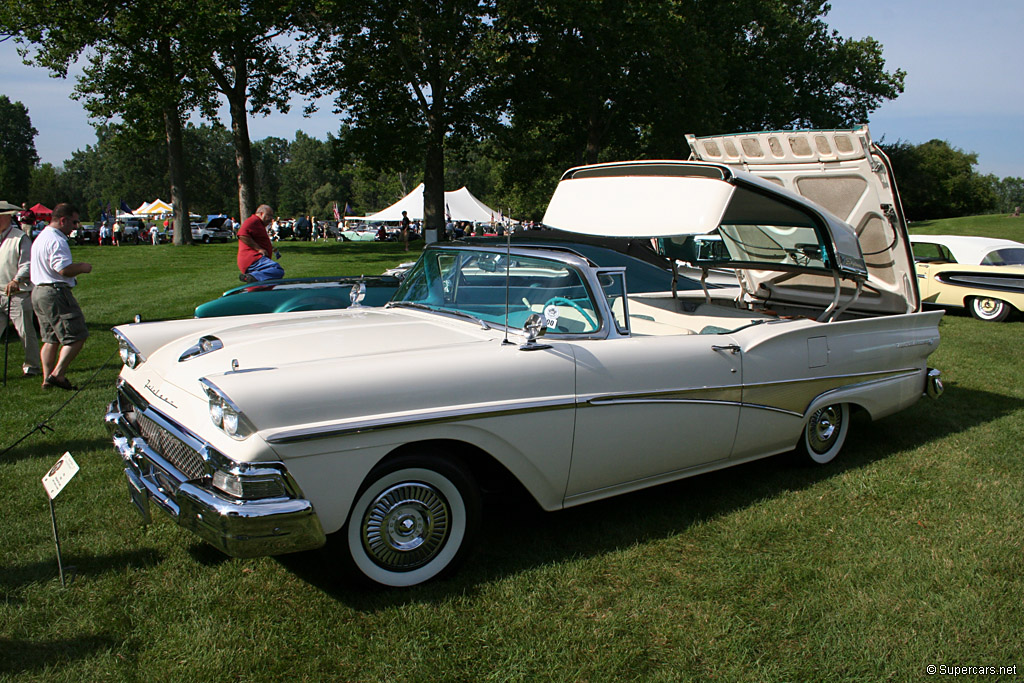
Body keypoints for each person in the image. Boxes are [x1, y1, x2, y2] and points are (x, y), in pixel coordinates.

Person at [29, 203, 92, 391]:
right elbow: (63, 269)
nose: (75, 226)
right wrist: (82, 267)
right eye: (74, 222)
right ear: (63, 220)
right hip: (55, 292)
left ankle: (46, 379)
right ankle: (58, 374)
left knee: (50, 338)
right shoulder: (57, 240)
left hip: (38, 291)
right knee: (77, 335)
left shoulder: (41, 237)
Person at [0, 203, 42, 378]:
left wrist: (16, 280)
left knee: (25, 331)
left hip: (17, 294)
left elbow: (27, 264)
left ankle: (31, 365)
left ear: (7, 217)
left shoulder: (19, 238)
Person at [237, 204, 284, 282]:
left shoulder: (259, 224)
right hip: (253, 259)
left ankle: (252, 279)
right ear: (261, 213)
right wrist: (259, 249)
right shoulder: (253, 220)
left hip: (255, 260)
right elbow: (242, 234)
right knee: (277, 270)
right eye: (269, 215)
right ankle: (252, 276)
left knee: (261, 285)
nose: (271, 219)